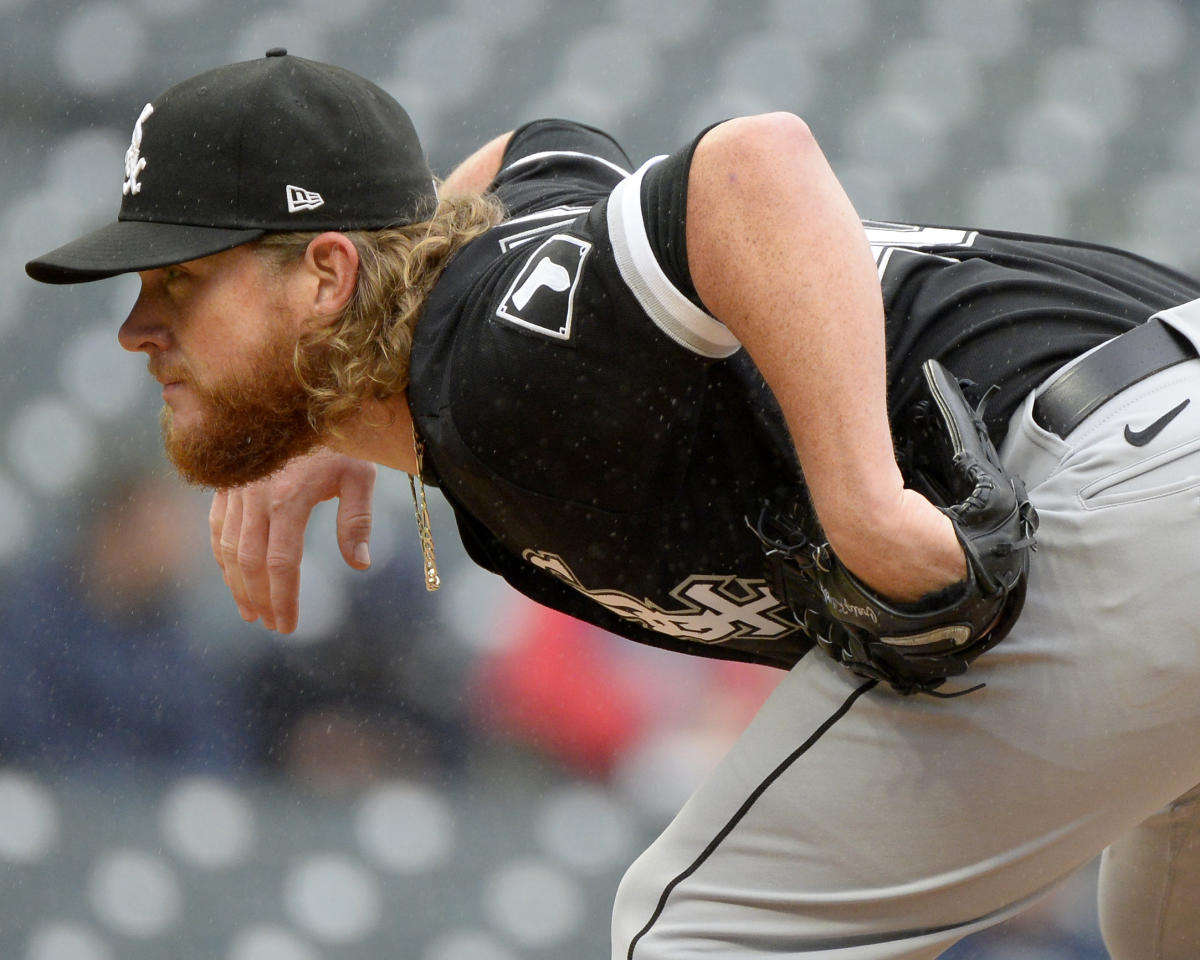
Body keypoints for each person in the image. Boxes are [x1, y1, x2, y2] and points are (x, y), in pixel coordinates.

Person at [26, 50, 1200, 959]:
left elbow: (755, 168)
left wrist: (867, 511)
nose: (138, 328)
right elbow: (541, 147)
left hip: (1131, 474)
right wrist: (326, 395)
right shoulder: (476, 326)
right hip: (1158, 441)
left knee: (697, 930)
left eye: (181, 280)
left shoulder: (491, 366)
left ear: (327, 275)